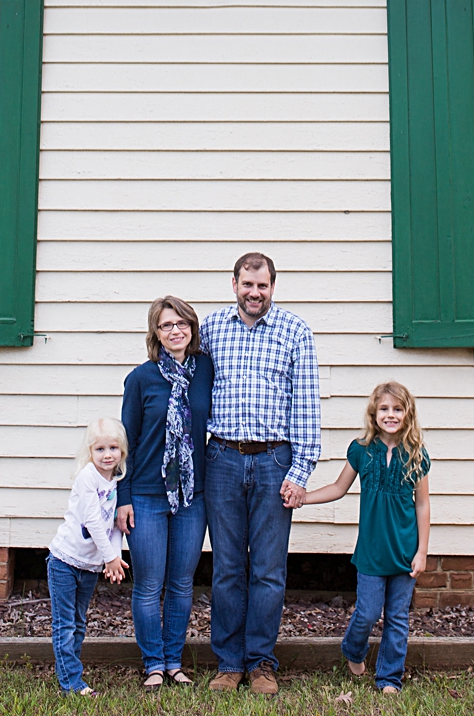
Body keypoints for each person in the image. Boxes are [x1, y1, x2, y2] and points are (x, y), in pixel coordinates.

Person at [203, 252, 321, 695]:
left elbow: (306, 406)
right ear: (233, 283)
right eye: (248, 285)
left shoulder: (295, 332)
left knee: (269, 570)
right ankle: (229, 663)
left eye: (263, 286)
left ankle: (262, 664)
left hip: (275, 463)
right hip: (223, 460)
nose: (255, 293)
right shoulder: (211, 329)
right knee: (228, 568)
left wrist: (301, 471)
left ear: (273, 286)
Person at [299, 381, 434, 694]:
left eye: (397, 409)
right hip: (372, 552)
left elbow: (423, 504)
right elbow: (338, 488)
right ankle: (353, 650)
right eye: (384, 409)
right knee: (368, 612)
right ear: (374, 414)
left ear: (407, 414)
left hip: (404, 551)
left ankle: (389, 678)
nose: (391, 415)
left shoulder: (416, 455)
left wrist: (422, 552)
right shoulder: (361, 451)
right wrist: (305, 498)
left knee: (398, 617)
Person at [114, 295, 213, 688]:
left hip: (192, 496)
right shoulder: (141, 379)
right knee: (149, 584)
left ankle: (174, 661)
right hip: (147, 496)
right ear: (156, 333)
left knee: (182, 583)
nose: (176, 331)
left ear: (192, 329)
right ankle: (153, 663)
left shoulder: (204, 369)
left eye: (182, 324)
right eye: (167, 325)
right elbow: (127, 443)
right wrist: (122, 499)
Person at [47, 419, 129, 697]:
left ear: (122, 451)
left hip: (91, 566)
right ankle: (71, 682)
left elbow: (116, 525)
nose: (108, 455)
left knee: (79, 623)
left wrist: (114, 557)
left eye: (113, 448)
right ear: (89, 452)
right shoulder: (87, 478)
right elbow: (93, 522)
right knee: (65, 624)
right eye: (100, 449)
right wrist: (110, 559)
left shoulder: (116, 479)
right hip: (65, 561)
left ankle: (69, 673)